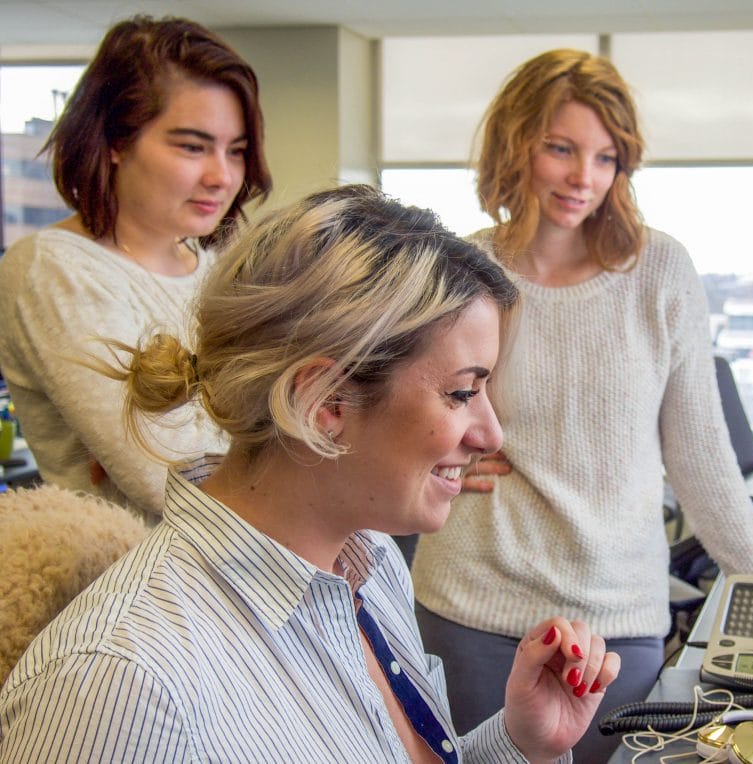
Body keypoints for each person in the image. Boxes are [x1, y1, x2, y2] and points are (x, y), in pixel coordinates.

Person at [0, 185, 621, 762]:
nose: (490, 434)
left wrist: (519, 742)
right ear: (325, 402)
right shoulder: (119, 682)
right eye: (462, 394)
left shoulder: (371, 564)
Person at [410, 49, 753, 762]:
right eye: (561, 149)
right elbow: (409, 409)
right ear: (516, 146)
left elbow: (701, 455)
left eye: (606, 157)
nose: (585, 176)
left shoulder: (660, 271)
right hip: (472, 604)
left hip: (618, 616)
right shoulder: (461, 268)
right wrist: (442, 454)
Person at [0, 15, 272, 521]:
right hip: (142, 566)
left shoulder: (219, 267)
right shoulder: (55, 268)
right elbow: (171, 480)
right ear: (115, 142)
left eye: (236, 151)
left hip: (261, 556)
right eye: (192, 147)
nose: (222, 176)